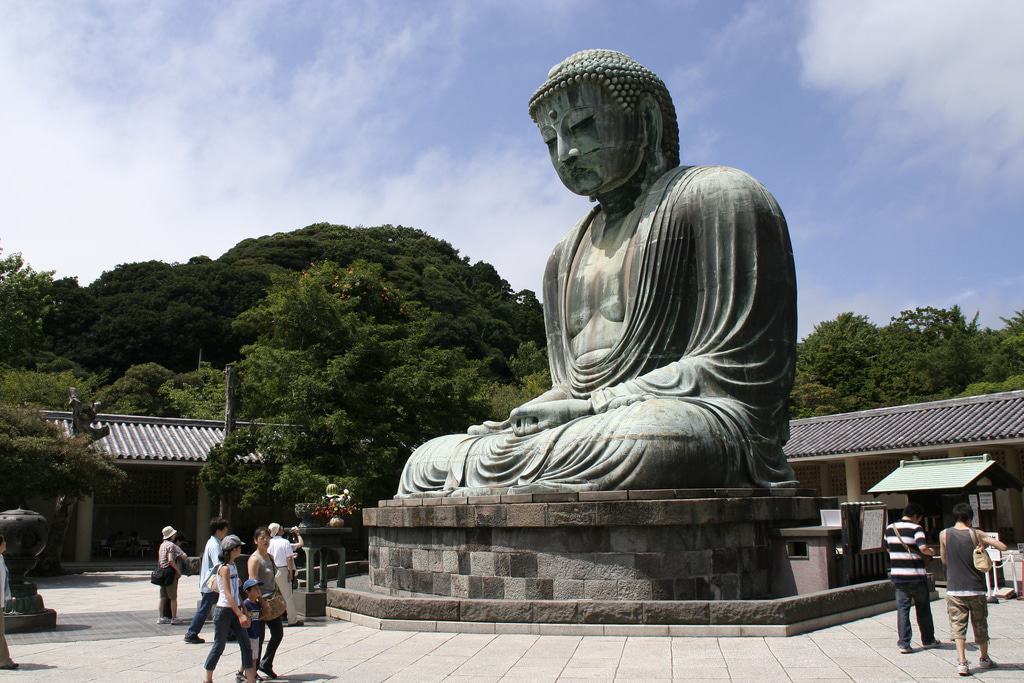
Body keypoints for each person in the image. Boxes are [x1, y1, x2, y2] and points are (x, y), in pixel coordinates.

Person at [398, 49, 797, 496]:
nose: (566, 153)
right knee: (427, 460)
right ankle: (526, 475)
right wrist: (532, 414)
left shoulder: (721, 197)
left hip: (685, 421)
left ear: (646, 121)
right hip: (588, 428)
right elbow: (568, 385)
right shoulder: (563, 256)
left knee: (651, 441)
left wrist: (592, 406)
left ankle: (539, 474)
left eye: (582, 126)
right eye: (551, 141)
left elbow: (740, 369)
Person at [940, 502, 1008, 676]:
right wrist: (982, 547)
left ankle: (962, 661)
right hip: (975, 588)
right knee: (980, 624)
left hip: (954, 588)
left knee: (957, 626)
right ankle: (984, 658)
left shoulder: (944, 534)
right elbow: (1002, 547)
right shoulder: (976, 534)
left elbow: (944, 559)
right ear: (970, 518)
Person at [884, 503, 939, 653]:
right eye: (919, 518)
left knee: (903, 609)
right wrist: (931, 552)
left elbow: (888, 548)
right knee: (923, 608)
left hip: (898, 576)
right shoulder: (917, 529)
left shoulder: (890, 528)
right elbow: (922, 548)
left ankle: (904, 643)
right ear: (916, 516)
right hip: (916, 575)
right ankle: (928, 640)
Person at [203, 535, 255, 683]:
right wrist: (240, 614)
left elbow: (235, 591)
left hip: (236, 608)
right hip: (224, 610)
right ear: (232, 550)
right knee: (219, 645)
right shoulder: (224, 568)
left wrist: (243, 607)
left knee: (246, 644)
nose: (240, 549)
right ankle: (208, 678)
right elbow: (226, 593)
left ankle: (250, 679)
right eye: (238, 547)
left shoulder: (234, 566)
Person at [185, 517, 230, 644]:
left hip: (210, 582)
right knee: (209, 608)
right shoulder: (215, 545)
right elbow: (218, 564)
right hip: (212, 583)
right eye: (225, 530)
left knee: (220, 607)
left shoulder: (213, 542)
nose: (226, 532)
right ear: (218, 530)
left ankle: (228, 632)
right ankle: (192, 632)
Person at [248, 527, 284, 679]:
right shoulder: (255, 559)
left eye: (267, 537)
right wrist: (262, 603)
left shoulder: (270, 556)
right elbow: (252, 583)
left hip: (271, 601)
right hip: (259, 602)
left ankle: (266, 664)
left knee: (277, 634)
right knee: (258, 638)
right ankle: (251, 670)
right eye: (261, 537)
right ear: (255, 541)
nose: (265, 540)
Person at [267, 522, 304, 627]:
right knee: (287, 596)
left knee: (271, 595)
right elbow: (289, 557)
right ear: (278, 530)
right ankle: (292, 620)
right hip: (282, 570)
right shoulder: (285, 542)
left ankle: (270, 618)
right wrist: (290, 572)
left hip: (271, 570)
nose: (283, 528)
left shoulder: (269, 542)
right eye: (281, 527)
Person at [156, 525, 186, 624]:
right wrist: (178, 571)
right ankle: (174, 618)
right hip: (169, 573)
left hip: (161, 572)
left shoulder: (162, 545)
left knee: (163, 597)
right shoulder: (171, 545)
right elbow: (171, 560)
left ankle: (160, 617)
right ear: (172, 535)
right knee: (173, 597)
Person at [239, 579, 264, 683]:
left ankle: (240, 672)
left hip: (256, 633)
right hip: (249, 634)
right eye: (255, 589)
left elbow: (261, 616)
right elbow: (246, 616)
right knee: (253, 658)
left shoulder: (258, 604)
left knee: (252, 656)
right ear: (248, 591)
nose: (258, 591)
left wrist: (262, 601)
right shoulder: (246, 604)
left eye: (259, 588)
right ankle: (252, 676)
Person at [0, 535, 19, 670]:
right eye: (4, 541)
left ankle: (4, 659)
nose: (6, 543)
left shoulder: (1, 559)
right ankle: (3, 660)